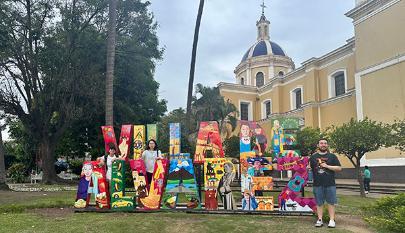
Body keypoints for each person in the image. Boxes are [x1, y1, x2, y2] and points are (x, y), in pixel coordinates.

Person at [310, 138, 342, 228]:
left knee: (331, 202)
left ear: (327, 145)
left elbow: (339, 168)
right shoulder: (313, 157)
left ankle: (332, 220)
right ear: (318, 145)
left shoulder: (332, 156)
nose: (323, 145)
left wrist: (327, 166)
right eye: (321, 143)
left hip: (330, 184)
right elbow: (309, 168)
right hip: (317, 184)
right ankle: (320, 219)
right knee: (319, 203)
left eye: (325, 143)